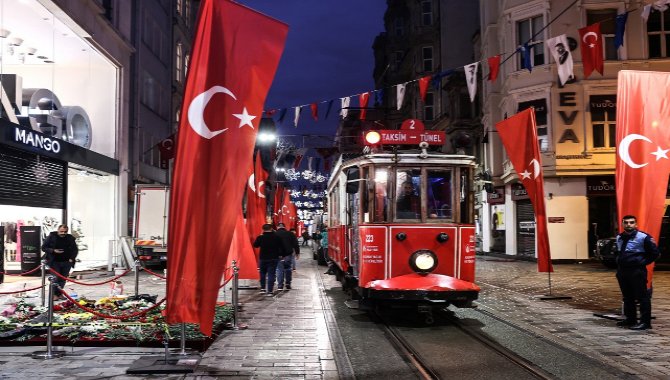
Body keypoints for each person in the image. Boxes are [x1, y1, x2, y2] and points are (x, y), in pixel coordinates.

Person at [615, 215, 660, 330]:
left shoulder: (643, 237)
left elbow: (655, 254)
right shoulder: (619, 237)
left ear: (636, 224)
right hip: (623, 271)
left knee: (642, 297)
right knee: (627, 296)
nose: (628, 225)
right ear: (622, 224)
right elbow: (619, 252)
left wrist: (641, 262)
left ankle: (645, 322)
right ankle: (631, 319)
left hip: (637, 271)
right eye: (626, 222)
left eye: (631, 222)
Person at [41, 224, 78, 301]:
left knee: (63, 279)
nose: (63, 233)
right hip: (54, 261)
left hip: (66, 262)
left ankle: (59, 294)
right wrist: (53, 250)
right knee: (55, 278)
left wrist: (72, 258)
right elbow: (44, 247)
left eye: (65, 232)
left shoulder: (70, 238)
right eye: (61, 231)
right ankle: (54, 294)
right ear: (58, 230)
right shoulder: (52, 236)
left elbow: (75, 249)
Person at [253, 224, 286, 297]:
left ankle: (263, 289)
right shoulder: (277, 237)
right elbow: (282, 247)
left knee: (262, 273)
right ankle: (270, 291)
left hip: (263, 257)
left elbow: (255, 245)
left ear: (263, 229)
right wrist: (282, 255)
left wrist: (260, 237)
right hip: (273, 257)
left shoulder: (261, 237)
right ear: (271, 228)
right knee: (271, 274)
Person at [275, 223, 299, 290]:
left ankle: (280, 286)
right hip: (288, 254)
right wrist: (297, 253)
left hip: (278, 255)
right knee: (288, 268)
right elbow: (295, 244)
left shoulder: (274, 234)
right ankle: (288, 283)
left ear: (277, 227)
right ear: (285, 227)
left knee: (279, 269)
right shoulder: (290, 234)